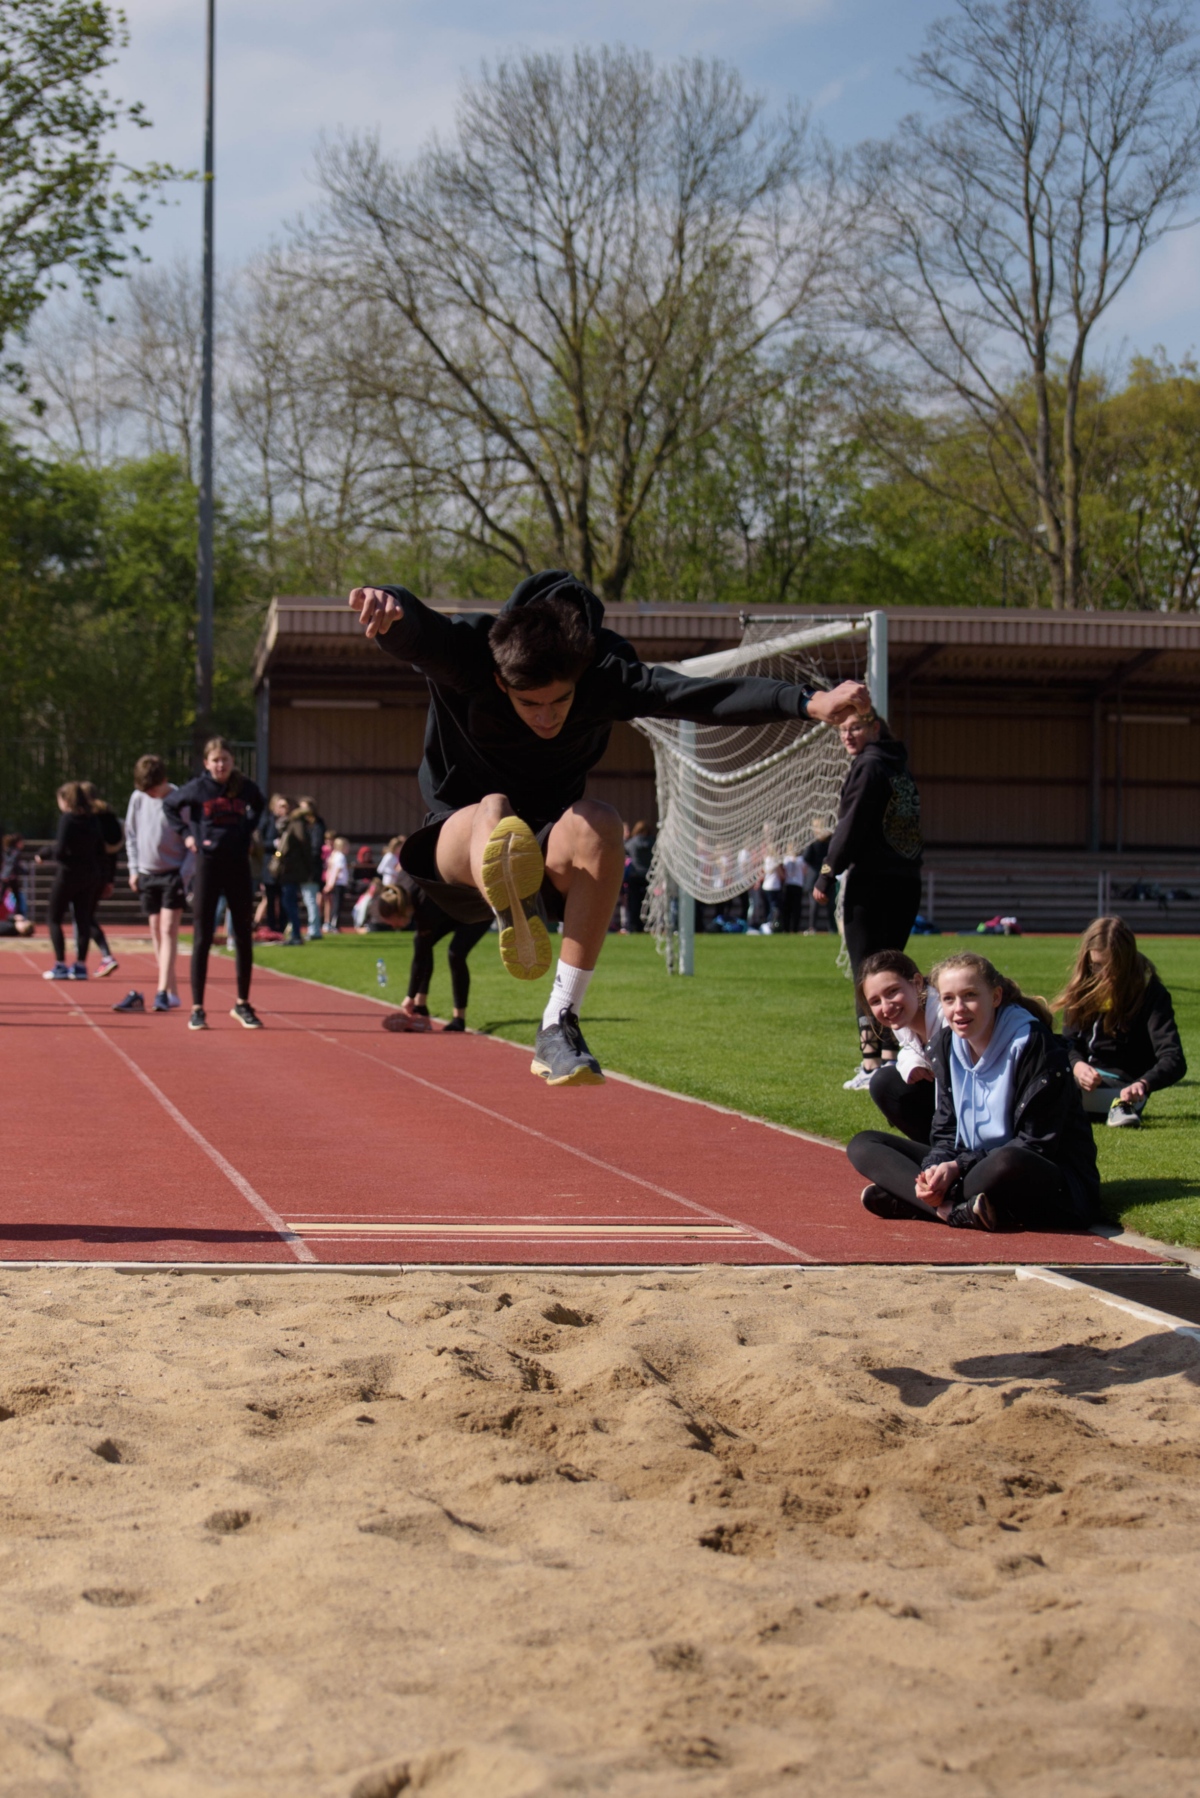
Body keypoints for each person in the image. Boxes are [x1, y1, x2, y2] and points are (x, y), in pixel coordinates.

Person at [349, 571, 869, 1085]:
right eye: (529, 703)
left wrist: (806, 701)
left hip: (546, 849)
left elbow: (700, 695)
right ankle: (512, 903)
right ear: (500, 680)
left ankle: (558, 1022)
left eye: (560, 701)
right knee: (494, 807)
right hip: (457, 846)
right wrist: (388, 605)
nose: (546, 717)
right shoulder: (473, 655)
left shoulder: (606, 677)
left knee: (599, 821)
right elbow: (418, 629)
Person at [847, 951, 1099, 1233]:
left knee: (1006, 1162)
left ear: (995, 997)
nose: (959, 1009)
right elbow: (944, 1132)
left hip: (1048, 1177)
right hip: (973, 1165)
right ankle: (951, 1209)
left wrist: (956, 1168)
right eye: (949, 999)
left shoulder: (1033, 1043)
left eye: (970, 996)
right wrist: (936, 1167)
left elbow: (1035, 1144)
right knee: (863, 1144)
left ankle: (915, 1200)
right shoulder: (944, 1044)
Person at [812, 712, 922, 1092]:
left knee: (868, 974)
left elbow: (851, 823)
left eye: (855, 727)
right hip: (907, 881)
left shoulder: (869, 766)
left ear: (876, 728)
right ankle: (896, 1058)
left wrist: (828, 871)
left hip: (873, 882)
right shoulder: (899, 767)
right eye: (842, 729)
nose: (847, 735)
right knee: (893, 970)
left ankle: (872, 1061)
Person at [164, 737, 266, 1032]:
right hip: (208, 864)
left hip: (237, 864)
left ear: (232, 761)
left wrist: (247, 831)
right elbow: (170, 807)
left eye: (226, 760)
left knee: (243, 934)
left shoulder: (245, 787)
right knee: (202, 936)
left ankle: (242, 1003)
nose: (221, 765)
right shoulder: (197, 788)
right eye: (215, 760)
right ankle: (198, 1008)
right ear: (207, 763)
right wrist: (187, 834)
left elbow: (259, 806)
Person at [1056, 917, 1186, 1129]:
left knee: (1054, 1091)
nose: (1104, 975)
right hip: (1080, 1080)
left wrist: (1142, 1084)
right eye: (1097, 965)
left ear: (1126, 962)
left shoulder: (1149, 993)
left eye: (1112, 967)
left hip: (1125, 1088)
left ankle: (1120, 1108)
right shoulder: (1083, 988)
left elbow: (1174, 1059)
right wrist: (1078, 1067)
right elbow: (1067, 1043)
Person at [116, 754, 192, 1015]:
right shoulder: (138, 799)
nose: (150, 795)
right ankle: (172, 992)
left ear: (164, 781)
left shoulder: (179, 799)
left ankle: (161, 991)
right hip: (148, 872)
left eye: (153, 790)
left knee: (169, 927)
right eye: (145, 790)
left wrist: (184, 875)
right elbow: (132, 834)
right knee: (155, 929)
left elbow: (192, 841)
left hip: (173, 872)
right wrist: (134, 869)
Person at [375, 873, 491, 1035]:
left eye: (393, 923)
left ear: (400, 912)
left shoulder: (424, 904)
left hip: (479, 909)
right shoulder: (403, 889)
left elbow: (419, 960)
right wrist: (414, 997)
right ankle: (421, 1007)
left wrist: (410, 996)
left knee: (455, 953)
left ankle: (459, 1019)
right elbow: (423, 952)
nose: (394, 927)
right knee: (422, 943)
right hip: (451, 911)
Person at [859, 949, 941, 1144]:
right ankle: (936, 1150)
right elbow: (908, 1047)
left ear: (918, 983)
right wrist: (912, 1063)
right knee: (883, 1083)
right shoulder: (903, 1019)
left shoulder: (947, 1016)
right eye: (875, 1001)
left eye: (893, 991)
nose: (886, 1007)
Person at [36, 783, 103, 980]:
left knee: (54, 918)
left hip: (68, 874)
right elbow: (100, 847)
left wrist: (44, 854)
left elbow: (60, 849)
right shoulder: (93, 819)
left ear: (65, 800)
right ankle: (81, 965)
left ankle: (60, 964)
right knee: (82, 920)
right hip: (89, 875)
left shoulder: (68, 819)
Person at [79, 782, 123, 978]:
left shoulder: (87, 818)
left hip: (86, 871)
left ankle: (104, 956)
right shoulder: (109, 817)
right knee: (86, 916)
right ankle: (91, 957)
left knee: (84, 916)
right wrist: (110, 879)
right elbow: (113, 852)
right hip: (103, 872)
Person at [270, 800, 313, 945]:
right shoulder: (296, 825)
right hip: (291, 869)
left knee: (289, 901)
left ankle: (296, 935)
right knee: (288, 901)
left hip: (291, 870)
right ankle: (295, 933)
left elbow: (301, 844)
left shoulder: (295, 825)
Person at [298, 797, 326, 939]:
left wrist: (305, 860)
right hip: (305, 867)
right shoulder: (303, 825)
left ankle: (314, 930)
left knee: (310, 899)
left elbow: (315, 848)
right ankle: (313, 929)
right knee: (308, 899)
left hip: (311, 868)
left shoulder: (316, 825)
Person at [623, 821, 654, 934]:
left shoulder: (632, 843)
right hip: (648, 876)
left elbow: (625, 849)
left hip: (634, 875)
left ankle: (633, 925)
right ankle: (647, 925)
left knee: (634, 903)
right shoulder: (653, 843)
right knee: (647, 903)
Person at [322, 835, 350, 934]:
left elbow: (330, 870)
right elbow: (337, 871)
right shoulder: (340, 857)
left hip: (334, 883)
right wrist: (331, 884)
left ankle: (331, 923)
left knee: (334, 904)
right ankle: (334, 925)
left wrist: (328, 882)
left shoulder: (333, 855)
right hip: (338, 884)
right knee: (337, 905)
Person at [1, 834, 28, 919]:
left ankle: (18, 915)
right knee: (17, 897)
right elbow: (13, 864)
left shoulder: (6, 850)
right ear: (17, 843)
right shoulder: (16, 852)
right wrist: (23, 871)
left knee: (3, 896)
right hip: (10, 877)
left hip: (5, 876)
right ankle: (19, 915)